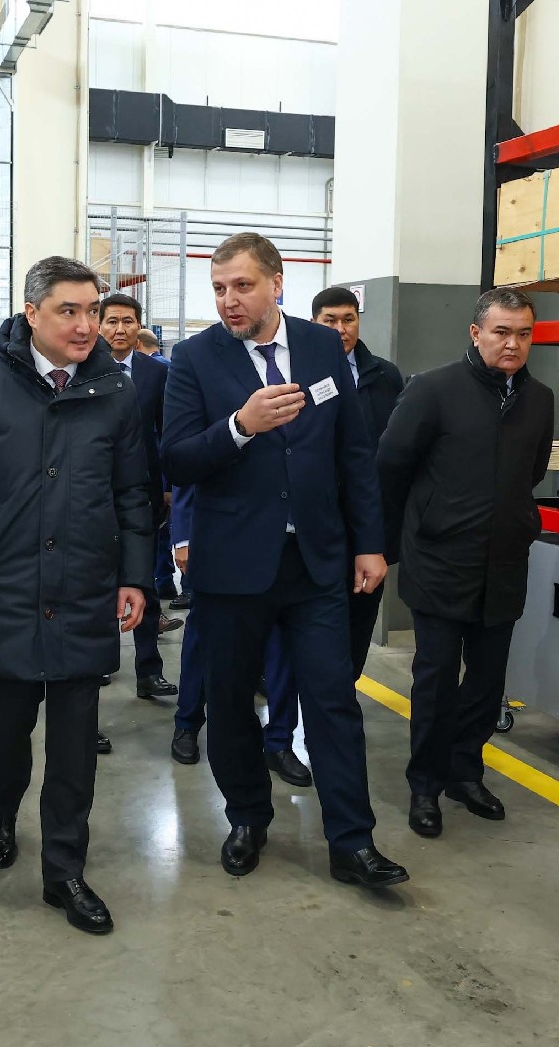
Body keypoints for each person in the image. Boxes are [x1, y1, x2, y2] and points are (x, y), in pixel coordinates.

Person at [161, 232, 406, 890]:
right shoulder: (195, 358)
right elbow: (177, 459)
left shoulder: (323, 347)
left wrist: (370, 543)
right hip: (233, 564)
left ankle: (352, 842)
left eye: (242, 286)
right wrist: (240, 426)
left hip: (316, 561)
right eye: (219, 288)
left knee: (333, 699)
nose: (229, 300)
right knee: (230, 700)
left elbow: (354, 452)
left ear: (276, 283)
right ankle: (247, 817)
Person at [0, 256, 150, 935]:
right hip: (1, 591)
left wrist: (134, 575)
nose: (85, 325)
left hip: (83, 591)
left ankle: (65, 871)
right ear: (32, 313)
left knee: (75, 748)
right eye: (68, 311)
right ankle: (0, 809)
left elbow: (133, 490)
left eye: (92, 311)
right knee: (4, 734)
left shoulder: (114, 389)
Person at [377, 287, 553, 839]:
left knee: (486, 679)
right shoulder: (433, 390)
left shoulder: (539, 399)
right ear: (476, 333)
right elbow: (391, 465)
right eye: (501, 332)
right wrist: (408, 533)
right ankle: (425, 785)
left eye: (523, 333)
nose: (513, 344)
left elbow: (533, 471)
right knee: (435, 678)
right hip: (440, 559)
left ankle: (464, 772)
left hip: (503, 561)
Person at [166, 480, 304, 786]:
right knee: (204, 633)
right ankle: (187, 722)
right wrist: (184, 535)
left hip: (288, 539)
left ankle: (279, 741)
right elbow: (189, 463)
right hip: (223, 535)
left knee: (282, 641)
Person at [310, 287, 405, 679]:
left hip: (368, 523)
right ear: (313, 323)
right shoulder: (299, 373)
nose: (341, 329)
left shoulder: (384, 375)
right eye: (330, 320)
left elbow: (396, 449)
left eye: (348, 319)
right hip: (315, 523)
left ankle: (344, 693)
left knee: (359, 619)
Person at [99, 292, 182, 701]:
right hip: (94, 493)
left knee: (143, 580)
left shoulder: (156, 373)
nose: (120, 329)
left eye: (128, 321)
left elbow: (169, 434)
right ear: (99, 325)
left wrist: (168, 486)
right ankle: (99, 662)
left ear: (139, 326)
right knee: (97, 584)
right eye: (112, 321)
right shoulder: (83, 368)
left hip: (143, 493)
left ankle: (149, 670)